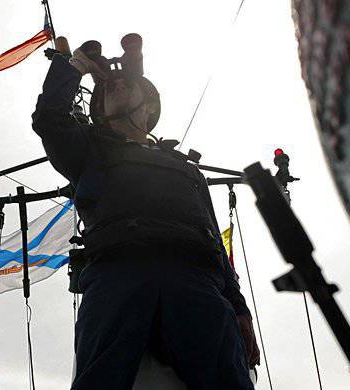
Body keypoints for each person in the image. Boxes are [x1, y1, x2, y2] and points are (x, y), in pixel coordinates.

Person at [32, 34, 259, 390]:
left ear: (149, 107)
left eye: (127, 84)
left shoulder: (187, 170)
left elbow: (214, 240)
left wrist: (240, 309)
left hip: (196, 279)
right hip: (116, 275)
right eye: (107, 89)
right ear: (99, 114)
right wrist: (73, 65)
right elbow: (50, 118)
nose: (115, 87)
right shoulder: (88, 151)